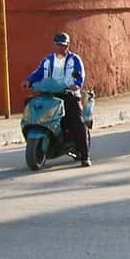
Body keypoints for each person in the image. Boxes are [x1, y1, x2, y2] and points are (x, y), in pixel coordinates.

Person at [21, 31, 90, 167]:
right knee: (33, 106)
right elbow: (38, 73)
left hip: (69, 95)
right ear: (54, 46)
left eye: (63, 45)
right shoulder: (47, 61)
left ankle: (85, 155)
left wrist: (76, 85)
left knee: (77, 122)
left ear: (68, 46)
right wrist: (28, 81)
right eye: (58, 45)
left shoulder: (74, 59)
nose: (60, 48)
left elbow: (79, 75)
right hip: (49, 94)